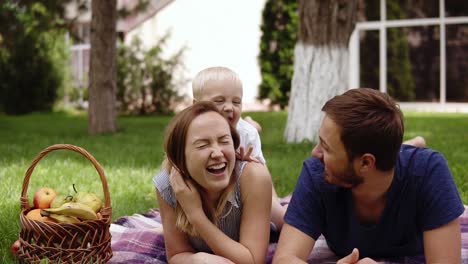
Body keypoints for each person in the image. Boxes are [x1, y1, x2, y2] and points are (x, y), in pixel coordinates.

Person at [273, 88, 464, 263]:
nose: (315, 153)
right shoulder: (318, 173)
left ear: (366, 162)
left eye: (326, 147)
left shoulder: (429, 171)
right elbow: (284, 259)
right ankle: (407, 145)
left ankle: (409, 146)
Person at [158, 66, 286, 231]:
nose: (228, 107)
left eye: (236, 102)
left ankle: (253, 123)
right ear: (196, 106)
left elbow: (263, 180)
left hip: (243, 191)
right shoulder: (188, 131)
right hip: (208, 195)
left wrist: (270, 199)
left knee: (283, 220)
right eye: (219, 101)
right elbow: (174, 161)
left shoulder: (247, 135)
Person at [154, 101, 272, 263]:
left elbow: (252, 260)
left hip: (260, 231)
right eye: (202, 145)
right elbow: (176, 254)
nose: (217, 153)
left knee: (284, 217)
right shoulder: (168, 185)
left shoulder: (253, 177)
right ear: (180, 159)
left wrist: (196, 215)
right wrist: (200, 261)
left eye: (224, 141)